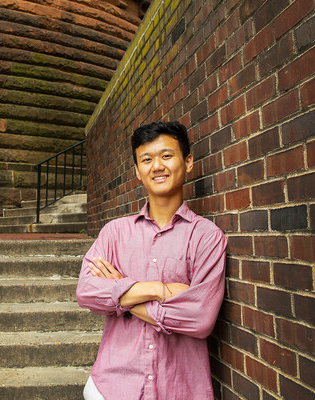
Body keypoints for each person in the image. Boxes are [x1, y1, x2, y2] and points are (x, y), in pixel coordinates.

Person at [76, 121, 227, 400]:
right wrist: (159, 289)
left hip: (180, 389)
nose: (157, 166)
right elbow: (86, 293)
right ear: (137, 171)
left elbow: (200, 318)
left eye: (166, 156)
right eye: (147, 159)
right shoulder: (114, 232)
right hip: (110, 387)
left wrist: (120, 290)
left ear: (188, 161)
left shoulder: (207, 237)